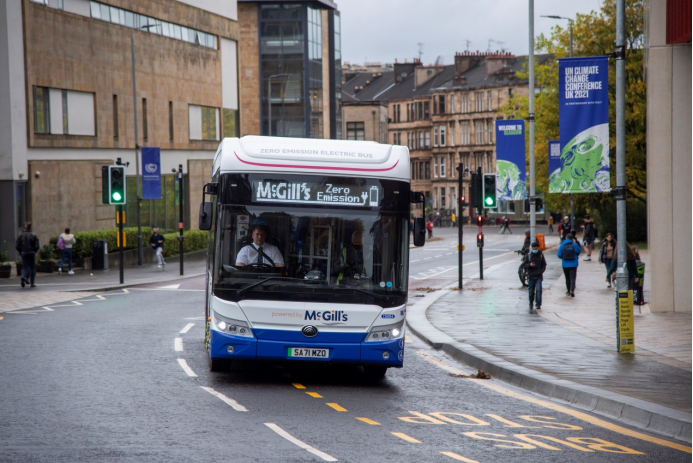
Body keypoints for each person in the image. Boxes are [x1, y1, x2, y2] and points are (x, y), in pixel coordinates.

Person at [524, 241, 547, 311]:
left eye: (535, 248)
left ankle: (538, 304)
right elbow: (525, 265)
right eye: (533, 248)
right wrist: (529, 265)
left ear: (538, 248)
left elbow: (544, 264)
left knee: (538, 290)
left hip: (539, 275)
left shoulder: (540, 255)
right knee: (531, 291)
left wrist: (541, 271)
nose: (534, 250)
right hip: (531, 275)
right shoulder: (528, 255)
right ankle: (531, 302)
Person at [15, 222, 39, 288]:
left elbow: (17, 245)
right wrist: (34, 250)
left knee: (24, 267)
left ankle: (23, 276)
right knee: (32, 267)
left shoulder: (21, 235)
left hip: (24, 252)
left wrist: (21, 251)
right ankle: (32, 283)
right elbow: (37, 245)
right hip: (31, 252)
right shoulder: (34, 235)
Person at [557, 233, 580, 297]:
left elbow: (559, 255)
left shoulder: (562, 245)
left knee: (567, 278)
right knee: (573, 278)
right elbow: (579, 250)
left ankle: (568, 291)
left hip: (565, 264)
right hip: (574, 263)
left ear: (566, 238)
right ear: (572, 238)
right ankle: (572, 290)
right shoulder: (574, 244)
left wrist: (563, 257)